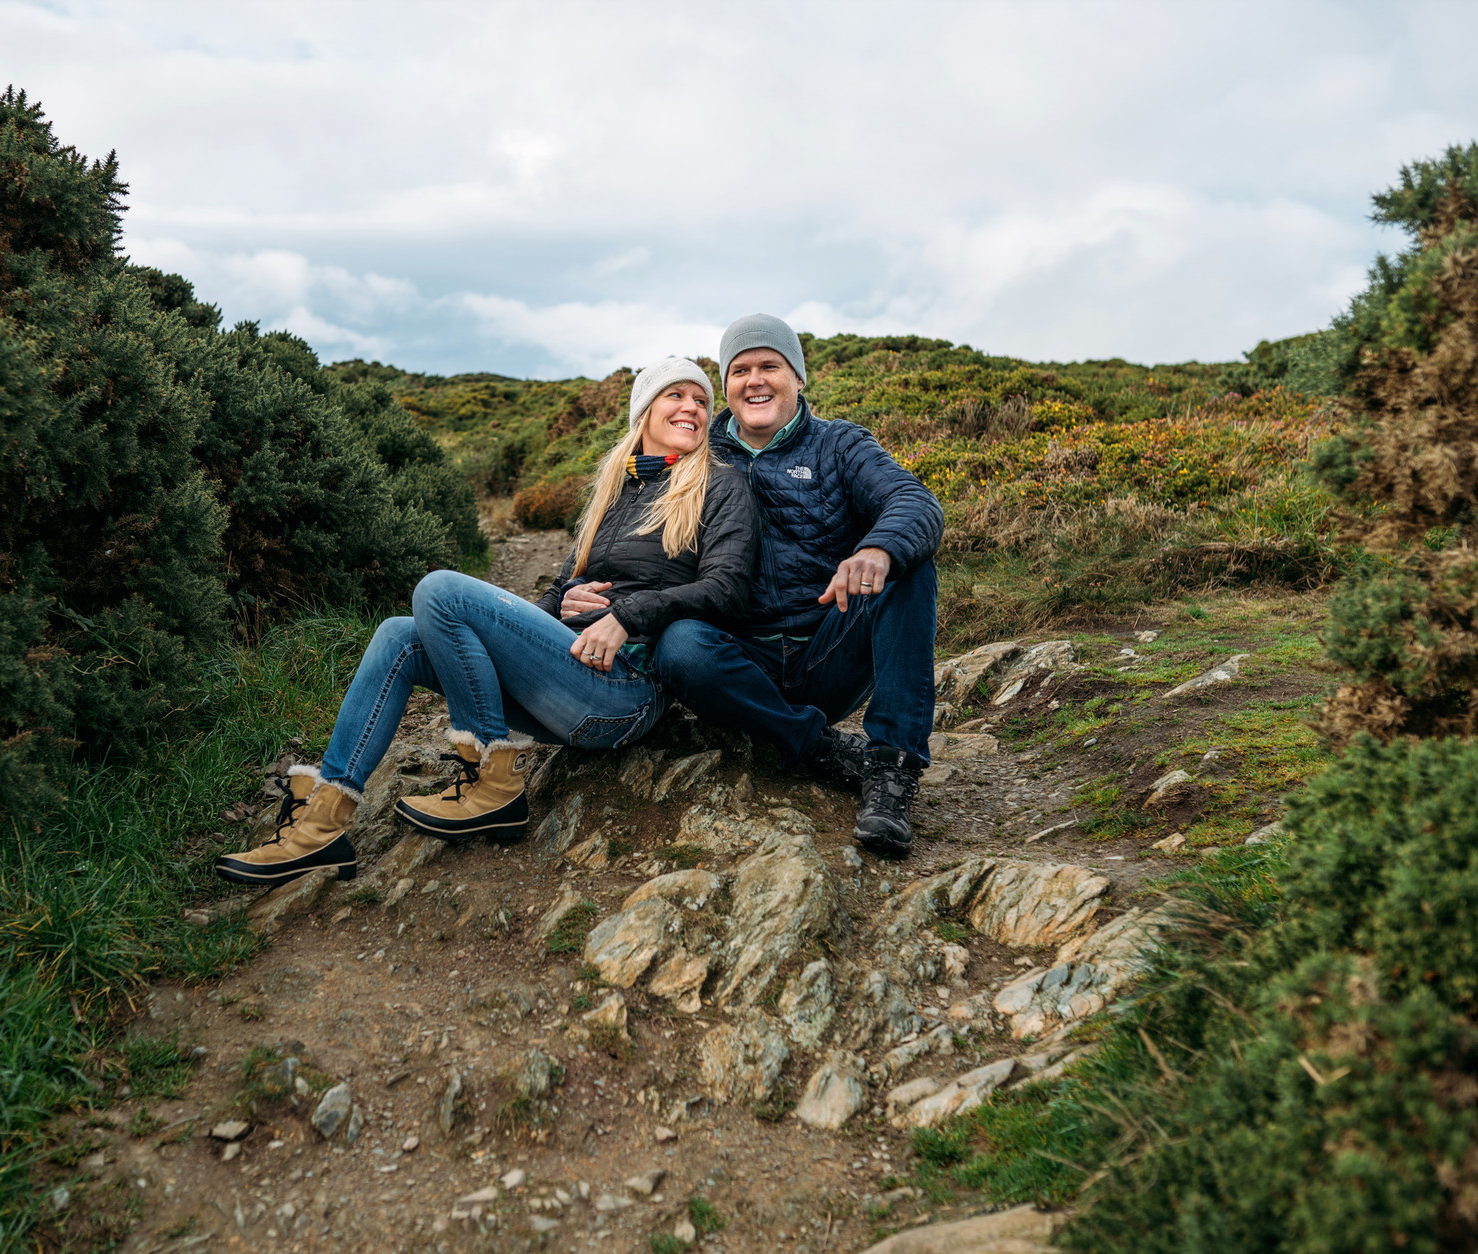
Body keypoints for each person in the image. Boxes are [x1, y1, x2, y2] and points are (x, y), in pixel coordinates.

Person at [217, 357, 758, 887]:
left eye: (702, 400)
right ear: (644, 412)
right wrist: (561, 604)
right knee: (397, 634)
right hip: (562, 675)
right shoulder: (614, 492)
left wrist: (625, 614)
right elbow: (555, 592)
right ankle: (323, 825)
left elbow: (727, 590)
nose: (692, 407)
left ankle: (494, 782)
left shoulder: (721, 485)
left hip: (624, 692)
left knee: (440, 589)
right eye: (676, 395)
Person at [573, 314, 943, 860]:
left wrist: (875, 550)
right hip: (737, 659)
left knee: (910, 565)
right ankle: (818, 748)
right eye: (739, 370)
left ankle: (892, 770)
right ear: (726, 386)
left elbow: (915, 502)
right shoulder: (700, 455)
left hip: (829, 646)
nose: (755, 380)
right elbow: (630, 543)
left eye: (770, 365)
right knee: (683, 645)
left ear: (798, 376)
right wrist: (575, 592)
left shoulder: (839, 444)